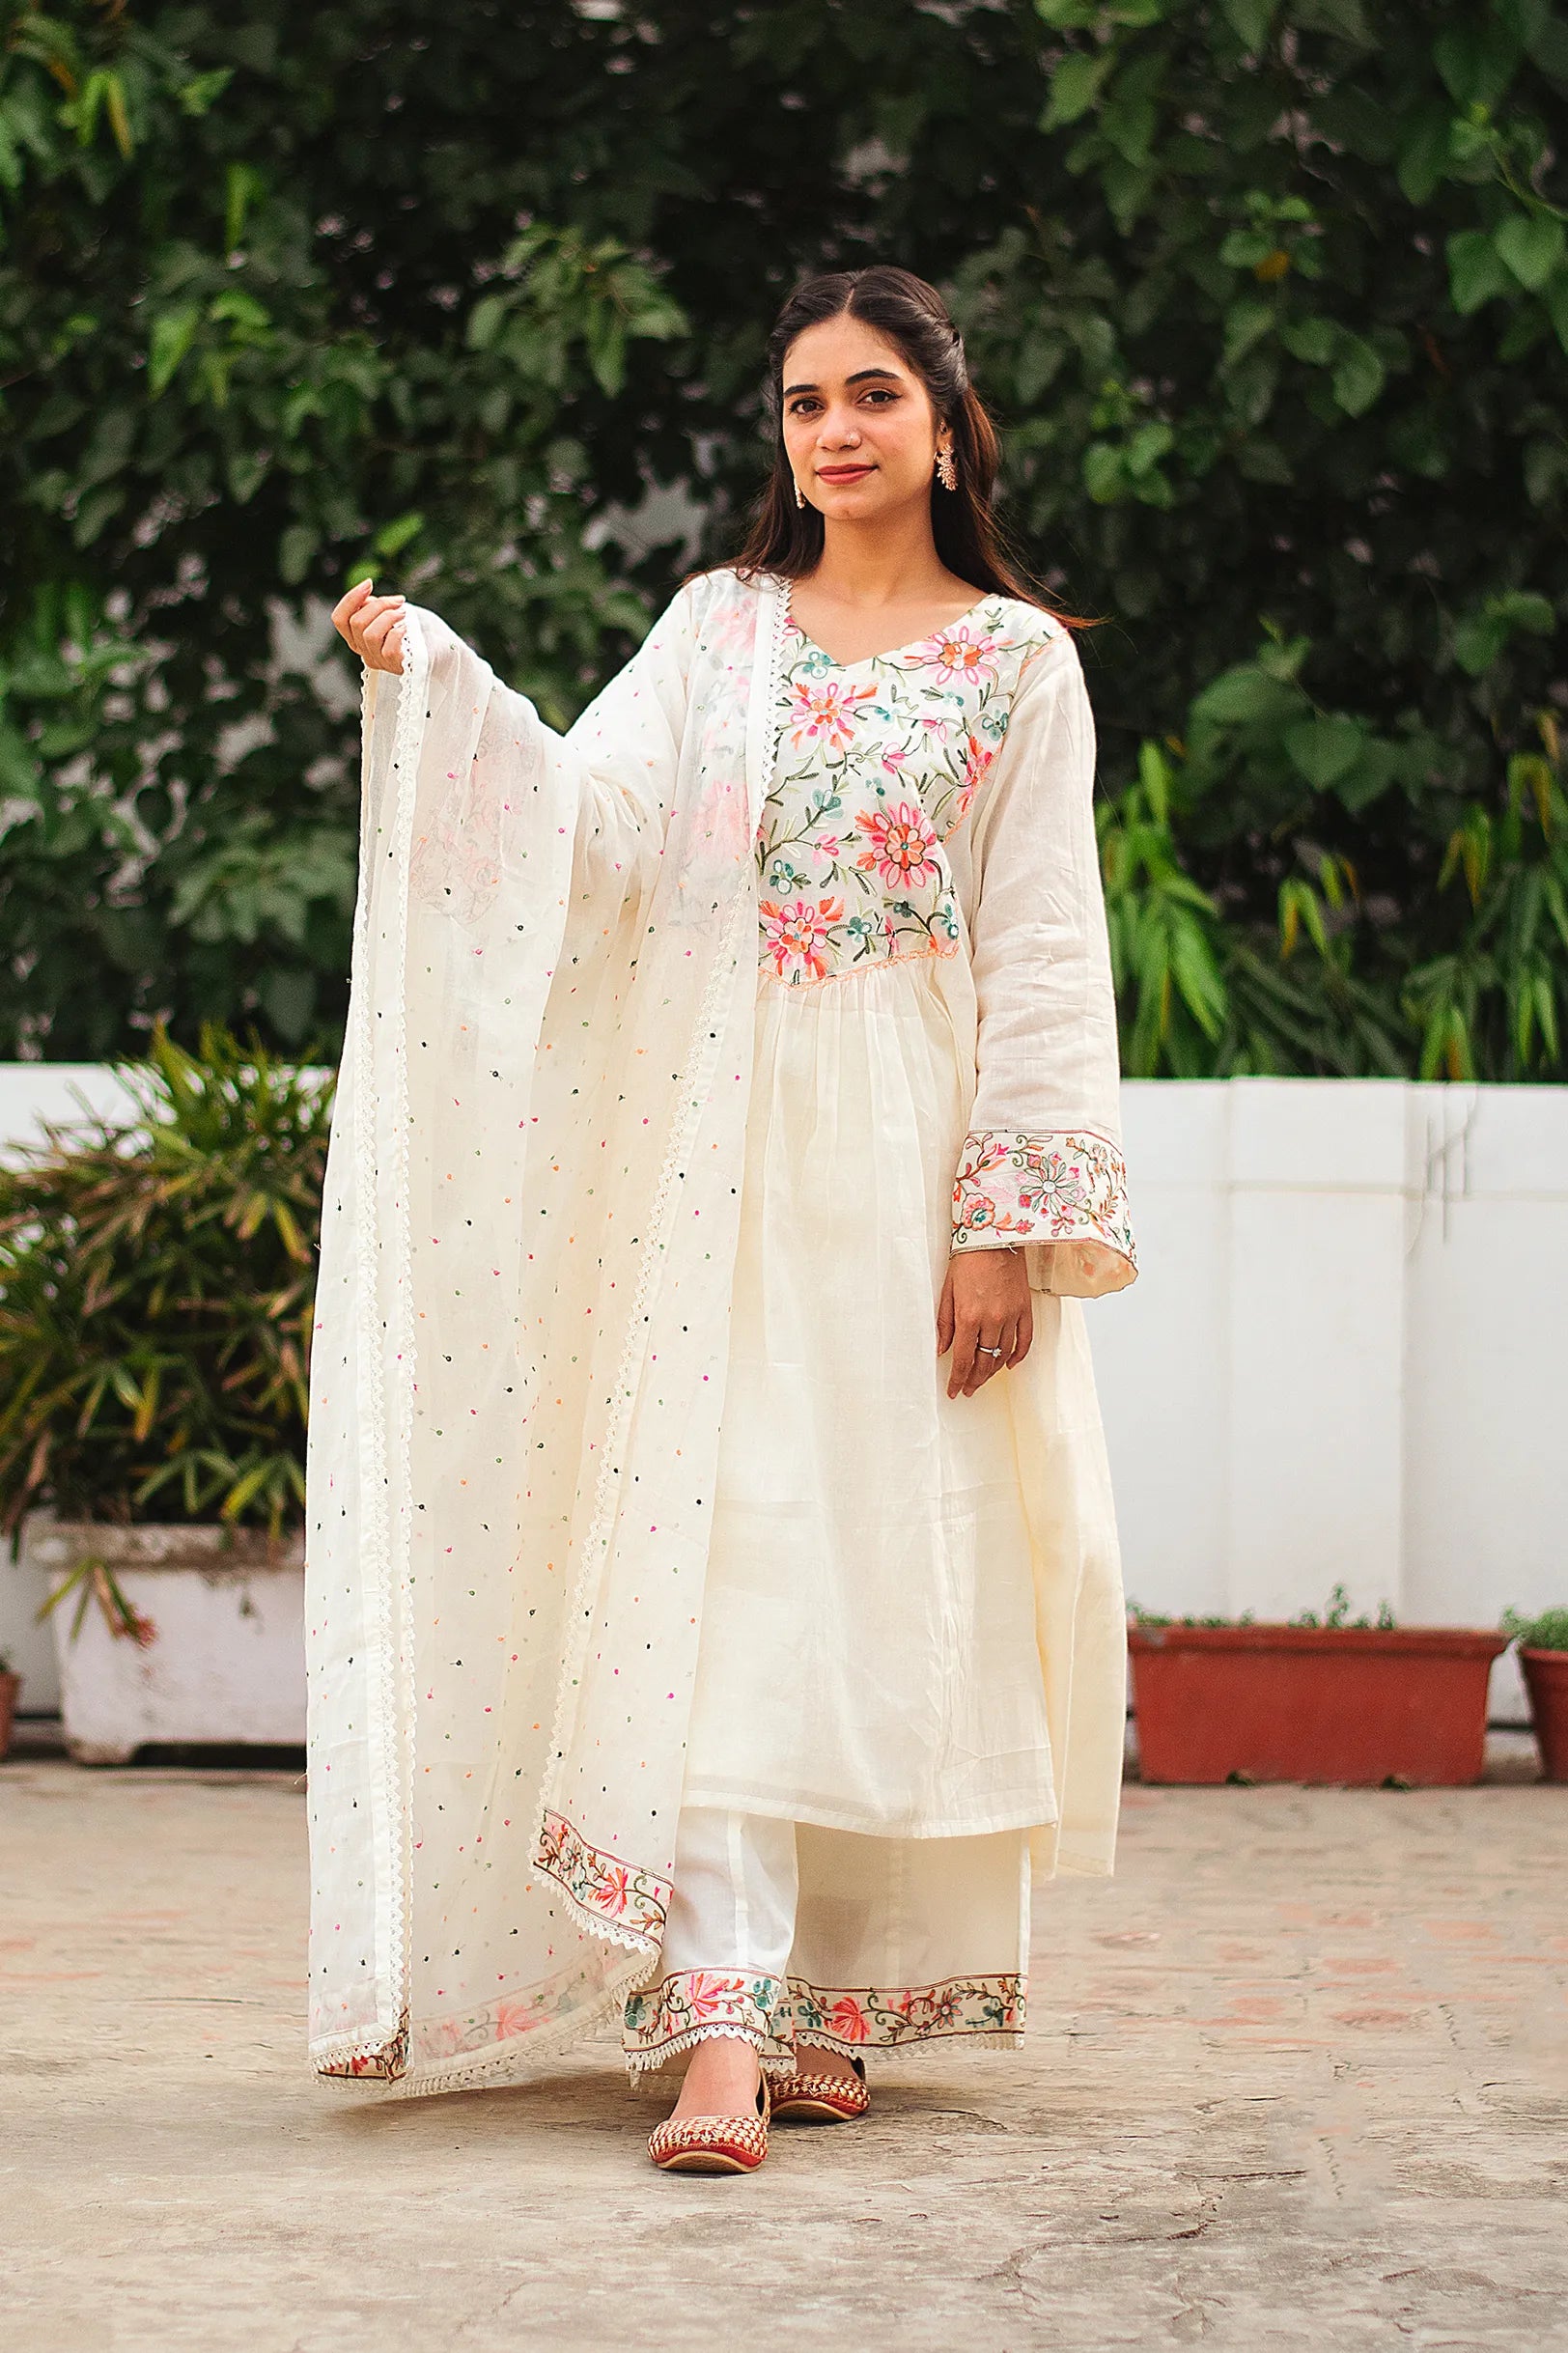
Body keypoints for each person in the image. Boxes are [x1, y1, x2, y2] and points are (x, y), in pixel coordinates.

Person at [310, 265, 1136, 2175]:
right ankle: (710, 2020)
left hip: (913, 1164)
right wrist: (438, 686)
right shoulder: (717, 631)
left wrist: (1000, 1221)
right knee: (722, 1562)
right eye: (799, 403)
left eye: (867, 395)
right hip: (710, 1157)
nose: (831, 431)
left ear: (946, 421)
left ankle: (832, 2001)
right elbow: (590, 823)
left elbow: (1036, 952)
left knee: (882, 1568)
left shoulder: (1016, 665)